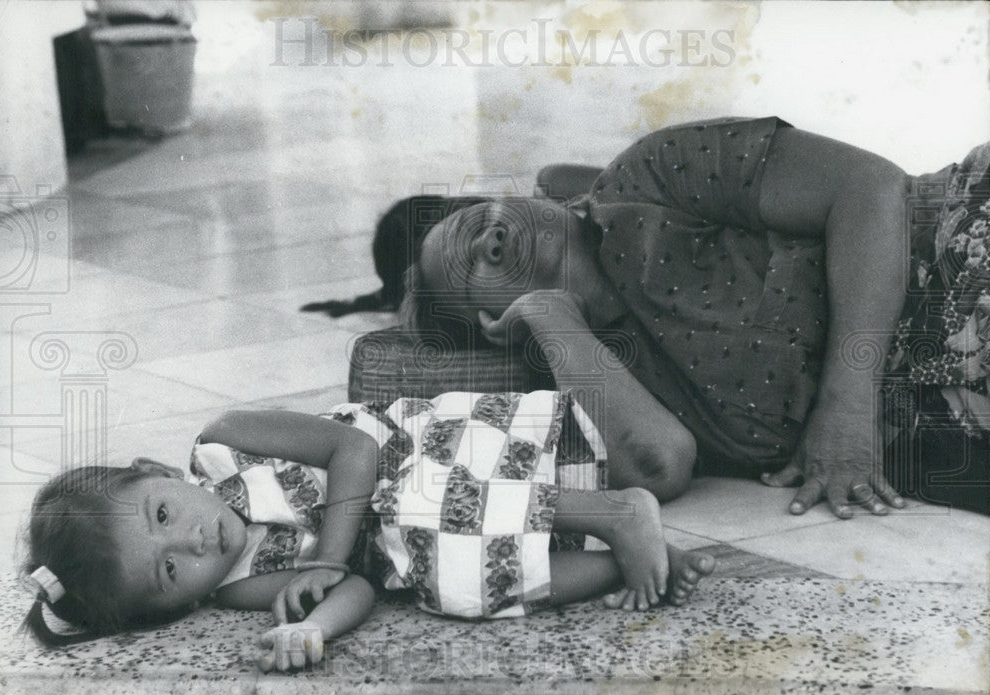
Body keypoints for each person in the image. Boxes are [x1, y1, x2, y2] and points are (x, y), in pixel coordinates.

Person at [402, 116, 989, 517]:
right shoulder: (587, 379)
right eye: (467, 265)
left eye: (473, 219)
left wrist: (847, 401)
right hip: (944, 422)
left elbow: (869, 187)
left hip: (953, 250)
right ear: (490, 321)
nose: (487, 238)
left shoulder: (649, 173)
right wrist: (552, 318)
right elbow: (662, 466)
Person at [20, 391, 717, 672]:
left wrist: (326, 549)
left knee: (418, 506)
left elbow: (353, 452)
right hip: (425, 541)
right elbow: (357, 585)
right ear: (178, 605)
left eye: (162, 515)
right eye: (169, 571)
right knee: (448, 588)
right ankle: (623, 560)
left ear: (152, 470)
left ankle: (618, 513)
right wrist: (314, 624)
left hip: (426, 451)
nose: (194, 542)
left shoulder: (225, 440)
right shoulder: (234, 587)